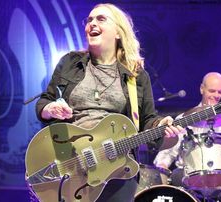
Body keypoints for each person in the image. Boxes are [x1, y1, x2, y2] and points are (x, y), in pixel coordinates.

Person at [34, 3, 183, 202]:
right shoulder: (70, 63)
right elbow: (44, 102)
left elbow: (147, 120)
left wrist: (160, 125)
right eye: (89, 20)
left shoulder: (136, 76)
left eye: (100, 19)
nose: (91, 24)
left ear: (118, 32)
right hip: (72, 162)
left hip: (117, 166)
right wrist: (49, 109)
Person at [154, 72, 221, 199]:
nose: (216, 96)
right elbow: (168, 152)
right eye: (212, 91)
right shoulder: (184, 119)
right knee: (176, 176)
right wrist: (162, 166)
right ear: (202, 89)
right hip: (187, 176)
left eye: (220, 92)